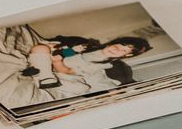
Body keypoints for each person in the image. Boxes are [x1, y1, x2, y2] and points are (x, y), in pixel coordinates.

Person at [22, 35, 150, 90]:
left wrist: (57, 62)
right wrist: (57, 49)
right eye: (120, 45)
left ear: (126, 55)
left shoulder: (104, 64)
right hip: (53, 61)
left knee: (78, 86)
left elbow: (69, 71)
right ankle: (39, 69)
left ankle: (43, 77)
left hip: (63, 70)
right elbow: (69, 52)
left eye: (123, 51)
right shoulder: (89, 46)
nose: (117, 50)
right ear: (113, 42)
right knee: (41, 48)